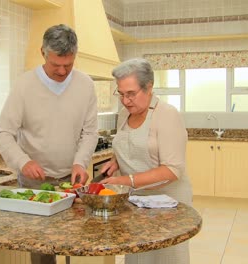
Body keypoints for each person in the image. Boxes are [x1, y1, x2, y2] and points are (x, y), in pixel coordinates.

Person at [0, 24, 98, 264]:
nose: (62, 72)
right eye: (56, 65)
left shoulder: (85, 85)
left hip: (72, 182)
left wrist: (80, 162)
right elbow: (2, 133)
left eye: (68, 65)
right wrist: (23, 161)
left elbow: (90, 132)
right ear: (43, 53)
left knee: (76, 243)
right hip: (35, 184)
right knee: (42, 250)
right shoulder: (24, 85)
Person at [100, 58, 192, 264]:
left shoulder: (167, 115)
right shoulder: (124, 114)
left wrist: (125, 181)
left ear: (149, 87)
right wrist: (116, 161)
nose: (125, 100)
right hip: (136, 202)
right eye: (121, 94)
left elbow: (172, 170)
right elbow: (131, 144)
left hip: (167, 204)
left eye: (131, 94)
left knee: (165, 257)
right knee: (138, 256)